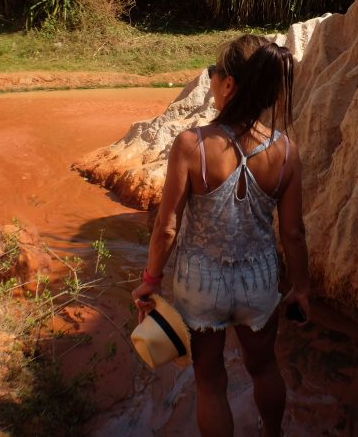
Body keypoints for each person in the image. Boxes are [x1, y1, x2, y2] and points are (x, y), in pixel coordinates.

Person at [132, 34, 310, 437]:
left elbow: (166, 229)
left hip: (200, 284)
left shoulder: (192, 145)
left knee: (210, 382)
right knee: (264, 367)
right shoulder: (286, 152)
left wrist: (150, 282)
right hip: (260, 280)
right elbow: (294, 233)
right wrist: (300, 287)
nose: (211, 81)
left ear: (229, 85)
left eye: (214, 74)